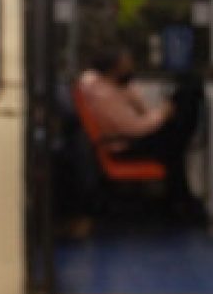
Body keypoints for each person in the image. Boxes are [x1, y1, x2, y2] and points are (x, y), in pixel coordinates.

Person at [77, 46, 203, 217]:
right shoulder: (103, 94)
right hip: (122, 146)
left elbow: (141, 111)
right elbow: (135, 128)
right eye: (127, 64)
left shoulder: (111, 84)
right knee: (175, 140)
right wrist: (164, 113)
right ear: (115, 69)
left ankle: (181, 200)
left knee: (176, 142)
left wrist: (129, 90)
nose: (132, 67)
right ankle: (181, 202)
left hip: (128, 139)